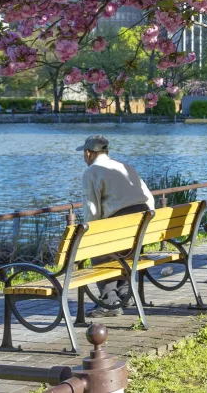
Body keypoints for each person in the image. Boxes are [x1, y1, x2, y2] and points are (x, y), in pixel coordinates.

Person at [78, 135, 155, 318]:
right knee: (118, 249)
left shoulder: (92, 172)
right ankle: (124, 292)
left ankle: (109, 301)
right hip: (140, 228)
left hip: (119, 230)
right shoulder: (126, 167)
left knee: (96, 248)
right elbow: (149, 199)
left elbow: (92, 209)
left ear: (89, 153)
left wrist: (89, 232)